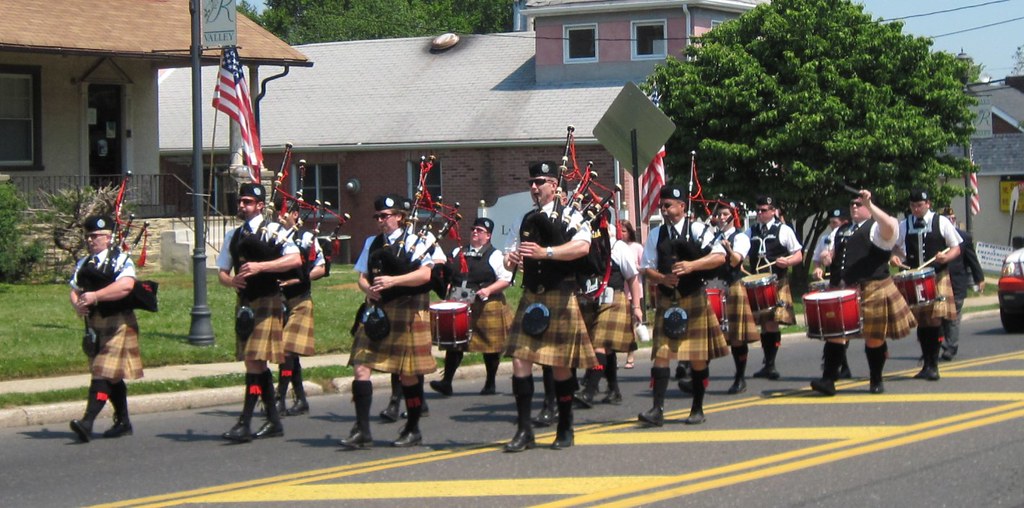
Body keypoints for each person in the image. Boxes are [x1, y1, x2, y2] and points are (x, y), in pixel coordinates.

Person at [501, 161, 597, 452]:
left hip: (559, 294)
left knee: (560, 367)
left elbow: (583, 247)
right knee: (520, 360)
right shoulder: (527, 218)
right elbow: (511, 255)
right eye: (531, 182)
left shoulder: (571, 216)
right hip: (532, 297)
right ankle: (524, 429)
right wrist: (512, 261)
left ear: (554, 186)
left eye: (540, 182)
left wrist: (547, 252)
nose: (534, 187)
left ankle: (565, 426)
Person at [341, 194, 436, 449]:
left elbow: (426, 274)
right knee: (361, 367)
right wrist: (367, 289)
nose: (381, 221)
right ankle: (362, 429)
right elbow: (362, 276)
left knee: (407, 376)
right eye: (378, 217)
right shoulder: (372, 242)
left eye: (385, 216)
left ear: (399, 217)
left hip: (407, 310)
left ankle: (413, 427)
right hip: (377, 311)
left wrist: (394, 281)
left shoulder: (417, 241)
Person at [216, 183, 302, 443]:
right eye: (241, 201)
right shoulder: (233, 235)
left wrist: (261, 267)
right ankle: (273, 421)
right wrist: (231, 282)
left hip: (267, 301)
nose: (242, 206)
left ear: (261, 206)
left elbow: (295, 260)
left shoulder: (276, 231)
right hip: (245, 305)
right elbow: (222, 271)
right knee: (254, 362)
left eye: (248, 202)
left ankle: (245, 421)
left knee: (255, 361)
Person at [639, 185, 730, 426]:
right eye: (662, 206)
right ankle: (656, 410)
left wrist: (692, 266)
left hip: (693, 297)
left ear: (682, 206)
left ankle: (697, 408)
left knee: (697, 357)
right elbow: (646, 267)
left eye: (668, 205)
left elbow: (720, 256)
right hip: (668, 299)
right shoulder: (656, 234)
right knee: (661, 354)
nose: (665, 210)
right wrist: (662, 278)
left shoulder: (698, 229)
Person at [810, 190, 916, 395]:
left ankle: (876, 379)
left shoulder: (876, 228)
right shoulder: (841, 230)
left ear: (870, 207)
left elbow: (891, 226)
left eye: (860, 204)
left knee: (874, 337)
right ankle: (828, 380)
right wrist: (827, 257)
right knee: (836, 335)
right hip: (844, 290)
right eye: (853, 204)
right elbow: (833, 252)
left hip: (872, 287)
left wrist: (871, 204)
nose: (854, 207)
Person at [68, 215, 142, 442]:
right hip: (95, 324)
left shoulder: (121, 260)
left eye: (96, 236)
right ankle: (123, 422)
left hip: (119, 323)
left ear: (108, 237)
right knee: (112, 377)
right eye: (88, 236)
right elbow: (74, 288)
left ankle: (87, 422)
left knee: (102, 372)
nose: (91, 240)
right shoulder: (84, 264)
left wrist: (95, 296)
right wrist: (77, 305)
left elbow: (126, 286)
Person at [430, 217, 513, 396]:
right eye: (473, 229)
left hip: (486, 305)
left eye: (480, 230)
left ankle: (490, 384)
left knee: (490, 346)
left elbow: (506, 279)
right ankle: (446, 383)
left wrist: (488, 290)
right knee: (455, 344)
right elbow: (449, 274)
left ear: (488, 236)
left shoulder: (496, 255)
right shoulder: (458, 251)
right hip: (459, 303)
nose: (475, 232)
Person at [574, 212, 644, 407]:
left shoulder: (617, 246)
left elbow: (632, 278)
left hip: (613, 298)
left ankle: (589, 391)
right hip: (589, 299)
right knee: (606, 348)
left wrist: (637, 306)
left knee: (600, 343)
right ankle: (614, 390)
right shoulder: (581, 243)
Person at [892, 189, 962, 381]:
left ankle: (933, 365)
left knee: (934, 320)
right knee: (922, 322)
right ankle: (927, 364)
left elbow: (956, 247)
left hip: (937, 277)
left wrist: (945, 257)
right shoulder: (904, 225)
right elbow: (893, 247)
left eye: (919, 205)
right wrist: (895, 258)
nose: (916, 209)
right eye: (913, 205)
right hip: (914, 278)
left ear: (928, 204)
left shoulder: (941, 222)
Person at [274, 198, 327, 416]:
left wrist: (302, 278)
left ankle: (280, 397)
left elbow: (321, 268)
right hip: (277, 300)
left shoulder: (307, 238)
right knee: (289, 353)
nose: (279, 216)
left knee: (287, 350)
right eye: (277, 212)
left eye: (283, 212)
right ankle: (301, 399)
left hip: (300, 300)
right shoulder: (273, 236)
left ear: (295, 215)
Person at [746, 195, 802, 380]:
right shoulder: (751, 231)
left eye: (764, 210)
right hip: (757, 283)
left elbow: (798, 255)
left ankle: (770, 364)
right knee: (764, 324)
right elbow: (742, 252)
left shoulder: (784, 230)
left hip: (777, 281)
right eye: (758, 210)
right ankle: (767, 363)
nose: (760, 214)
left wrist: (787, 261)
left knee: (772, 323)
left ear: (773, 211)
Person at [708, 201, 760, 395]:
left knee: (737, 337)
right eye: (719, 214)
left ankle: (740, 378)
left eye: (725, 214)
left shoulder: (741, 237)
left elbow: (736, 260)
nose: (721, 217)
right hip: (713, 287)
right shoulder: (712, 237)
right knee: (707, 334)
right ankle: (698, 377)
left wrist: (728, 249)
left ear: (732, 216)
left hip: (732, 286)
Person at [938, 207, 985, 361]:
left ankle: (950, 346)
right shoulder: (936, 237)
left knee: (953, 317)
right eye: (947, 218)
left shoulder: (964, 237)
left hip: (957, 282)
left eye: (952, 217)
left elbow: (972, 260)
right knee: (941, 316)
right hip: (939, 282)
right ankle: (945, 342)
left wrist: (979, 278)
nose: (950, 220)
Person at [811, 208, 853, 379]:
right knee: (836, 327)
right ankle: (842, 366)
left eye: (834, 223)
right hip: (834, 284)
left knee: (848, 327)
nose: (831, 226)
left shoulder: (851, 236)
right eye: (830, 223)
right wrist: (818, 269)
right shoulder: (825, 238)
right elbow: (816, 260)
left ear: (844, 222)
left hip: (850, 284)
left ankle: (840, 366)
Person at [619, 219, 644, 370]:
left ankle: (630, 356)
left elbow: (645, 267)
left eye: (624, 231)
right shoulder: (615, 247)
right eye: (619, 231)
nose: (621, 234)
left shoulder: (636, 247)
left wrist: (635, 267)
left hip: (632, 291)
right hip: (618, 290)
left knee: (630, 326)